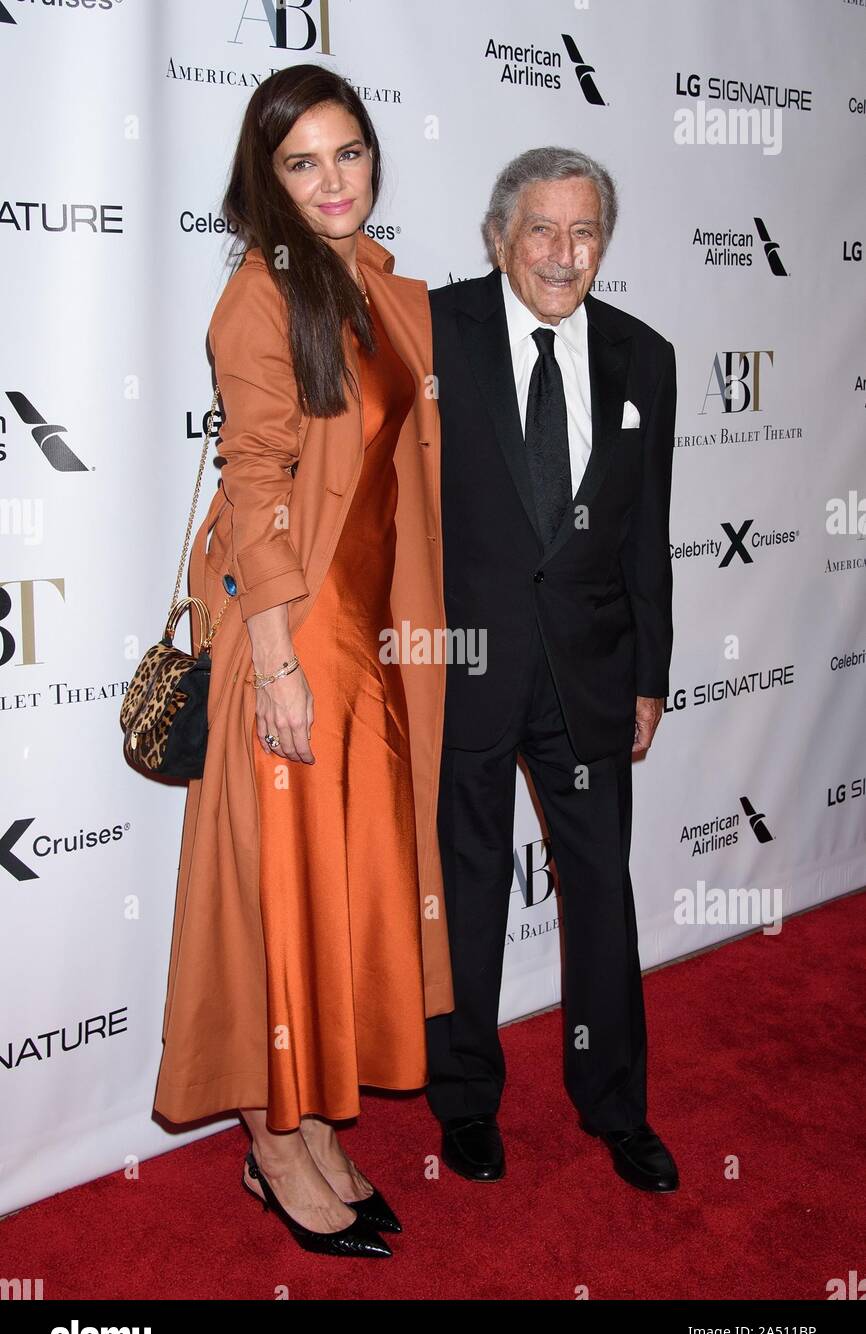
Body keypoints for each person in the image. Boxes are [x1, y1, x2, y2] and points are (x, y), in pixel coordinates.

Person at [152, 64, 453, 1257]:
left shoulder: (373, 286)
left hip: (369, 643)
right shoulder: (259, 300)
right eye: (301, 162)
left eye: (349, 154)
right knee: (277, 892)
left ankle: (315, 1122)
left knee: (333, 889)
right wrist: (276, 666)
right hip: (291, 639)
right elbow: (253, 489)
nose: (333, 182)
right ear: (264, 179)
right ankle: (270, 1144)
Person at [426, 146, 679, 1193]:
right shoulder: (435, 328)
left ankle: (614, 1103)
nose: (561, 255)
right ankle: (465, 1099)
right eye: (541, 230)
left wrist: (649, 675)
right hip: (464, 665)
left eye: (582, 233)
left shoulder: (642, 355)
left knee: (599, 892)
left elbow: (646, 533)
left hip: (588, 672)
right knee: (467, 884)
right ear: (498, 237)